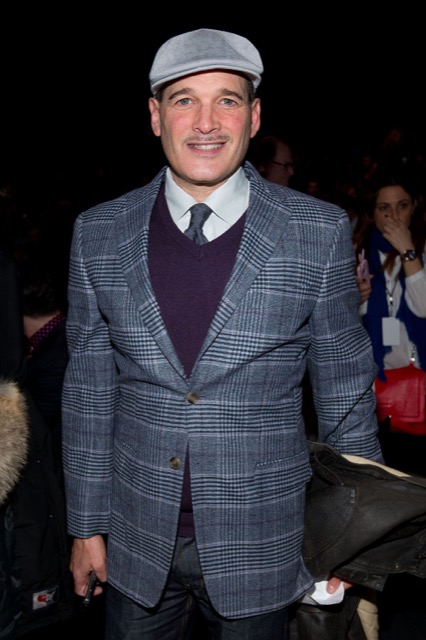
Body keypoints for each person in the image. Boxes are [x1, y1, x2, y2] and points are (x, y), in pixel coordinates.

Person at [62, 28, 383, 640]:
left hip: (267, 542)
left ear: (254, 117)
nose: (206, 122)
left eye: (227, 100)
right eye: (184, 100)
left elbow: (345, 397)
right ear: (155, 116)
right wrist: (85, 525)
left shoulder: (315, 231)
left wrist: (354, 539)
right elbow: (87, 395)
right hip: (133, 541)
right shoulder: (99, 233)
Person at [354, 168, 426, 475]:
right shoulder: (359, 253)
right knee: (389, 481)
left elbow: (422, 308)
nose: (394, 216)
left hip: (421, 381)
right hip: (378, 389)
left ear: (415, 207)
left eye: (402, 205)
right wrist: (356, 299)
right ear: (372, 213)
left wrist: (408, 253)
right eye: (384, 208)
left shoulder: (420, 250)